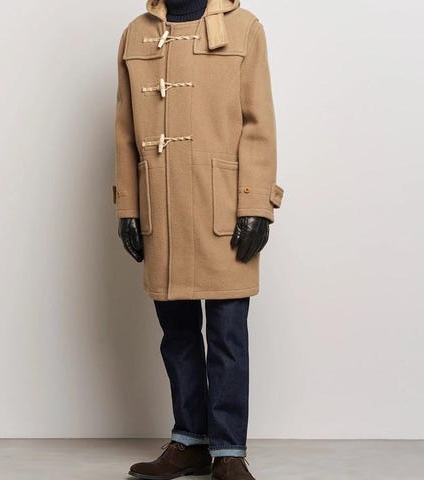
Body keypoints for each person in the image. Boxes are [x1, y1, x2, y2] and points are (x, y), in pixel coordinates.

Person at [112, 0, 284, 478]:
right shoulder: (136, 33)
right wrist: (128, 206)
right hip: (161, 206)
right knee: (177, 334)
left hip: (222, 207)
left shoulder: (245, 28)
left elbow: (259, 124)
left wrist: (255, 205)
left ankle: (229, 451)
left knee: (228, 334)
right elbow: (124, 130)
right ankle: (189, 442)